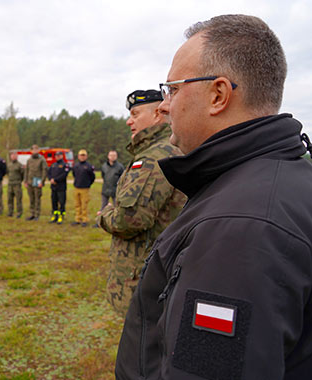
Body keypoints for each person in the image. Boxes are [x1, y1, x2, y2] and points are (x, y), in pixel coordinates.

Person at [115, 15, 312, 380]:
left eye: (173, 89)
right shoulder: (281, 180)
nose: (164, 106)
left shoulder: (240, 227)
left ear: (218, 95)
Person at [97, 89, 186, 318]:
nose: (129, 121)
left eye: (135, 114)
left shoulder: (153, 157)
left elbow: (130, 219)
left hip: (144, 279)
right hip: (157, 273)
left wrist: (104, 215)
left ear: (158, 114)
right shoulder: (164, 150)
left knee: (143, 346)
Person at [71, 149, 95, 227]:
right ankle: (78, 219)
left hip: (85, 188)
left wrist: (88, 184)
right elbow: (74, 174)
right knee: (77, 204)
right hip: (77, 187)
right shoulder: (76, 166)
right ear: (78, 156)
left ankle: (85, 220)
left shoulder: (89, 166)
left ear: (86, 156)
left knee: (84, 205)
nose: (82, 157)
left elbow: (92, 177)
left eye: (83, 155)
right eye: (81, 155)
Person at [24, 145, 47, 221]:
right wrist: (25, 181)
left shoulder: (42, 160)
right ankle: (32, 214)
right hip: (30, 182)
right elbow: (26, 171)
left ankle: (37, 214)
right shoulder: (29, 160)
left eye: (36, 149)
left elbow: (44, 171)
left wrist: (42, 181)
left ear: (38, 150)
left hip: (37, 182)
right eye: (33, 150)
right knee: (31, 198)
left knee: (37, 198)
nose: (35, 151)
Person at [47, 151, 70, 224]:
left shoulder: (65, 165)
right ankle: (55, 215)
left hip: (61, 187)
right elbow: (49, 173)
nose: (57, 156)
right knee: (54, 202)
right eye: (56, 155)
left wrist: (56, 180)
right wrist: (51, 179)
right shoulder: (53, 165)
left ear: (62, 156)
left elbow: (64, 175)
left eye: (59, 155)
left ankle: (61, 216)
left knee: (62, 202)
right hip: (54, 187)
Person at [6, 151, 24, 218]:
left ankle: (19, 212)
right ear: (10, 156)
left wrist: (19, 181)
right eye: (12, 155)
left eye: (14, 155)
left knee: (18, 199)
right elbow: (8, 173)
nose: (13, 156)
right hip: (10, 184)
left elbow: (22, 174)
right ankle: (10, 212)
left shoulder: (19, 165)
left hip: (17, 184)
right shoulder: (9, 164)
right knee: (9, 199)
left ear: (17, 156)